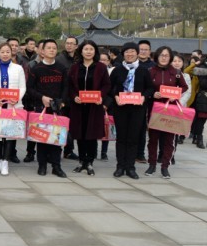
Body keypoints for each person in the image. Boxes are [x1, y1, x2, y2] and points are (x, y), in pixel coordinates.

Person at [107, 42, 154, 179]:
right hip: (120, 108)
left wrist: (144, 97)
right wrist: (115, 96)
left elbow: (150, 88)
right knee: (121, 137)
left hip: (137, 109)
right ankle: (120, 166)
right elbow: (109, 87)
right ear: (123, 54)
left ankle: (130, 167)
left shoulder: (144, 71)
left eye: (133, 51)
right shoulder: (117, 70)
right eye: (127, 52)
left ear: (137, 53)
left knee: (133, 138)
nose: (130, 54)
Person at [68, 40, 111, 176]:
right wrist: (74, 96)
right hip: (79, 106)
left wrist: (101, 97)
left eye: (91, 49)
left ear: (95, 52)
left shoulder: (101, 67)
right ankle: (81, 161)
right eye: (86, 49)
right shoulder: (75, 67)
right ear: (81, 51)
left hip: (94, 107)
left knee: (92, 135)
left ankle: (90, 162)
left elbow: (106, 85)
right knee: (80, 135)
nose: (88, 52)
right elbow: (69, 85)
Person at [27, 39, 68, 178]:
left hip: (57, 108)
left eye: (54, 48)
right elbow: (30, 88)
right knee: (42, 137)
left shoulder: (62, 68)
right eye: (48, 48)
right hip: (41, 107)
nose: (51, 50)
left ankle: (56, 166)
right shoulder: (36, 69)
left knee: (57, 138)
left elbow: (66, 87)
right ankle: (42, 165)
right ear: (42, 51)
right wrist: (41, 97)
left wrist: (62, 101)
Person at [145, 46, 188, 179]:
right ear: (157, 56)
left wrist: (175, 95)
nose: (164, 57)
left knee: (169, 139)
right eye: (162, 55)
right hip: (155, 108)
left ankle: (165, 166)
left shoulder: (176, 72)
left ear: (170, 58)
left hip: (171, 109)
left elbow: (184, 86)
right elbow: (145, 87)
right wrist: (153, 94)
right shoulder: (150, 71)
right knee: (153, 138)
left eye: (166, 55)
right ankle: (152, 164)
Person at [0, 42, 27, 176]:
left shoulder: (18, 68)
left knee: (10, 135)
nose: (5, 54)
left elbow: (22, 87)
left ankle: (5, 161)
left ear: (12, 53)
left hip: (13, 106)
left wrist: (17, 98)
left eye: (7, 52)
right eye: (2, 52)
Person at [56, 35, 79, 161]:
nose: (69, 45)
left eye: (72, 43)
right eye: (67, 43)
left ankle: (69, 150)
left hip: (75, 98)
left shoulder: (79, 59)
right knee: (61, 125)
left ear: (76, 46)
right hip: (63, 97)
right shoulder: (59, 59)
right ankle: (58, 149)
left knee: (72, 125)